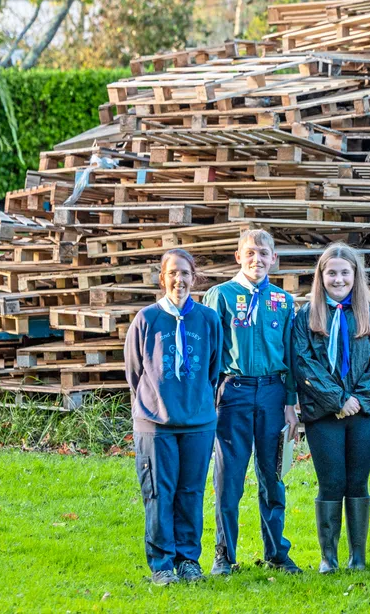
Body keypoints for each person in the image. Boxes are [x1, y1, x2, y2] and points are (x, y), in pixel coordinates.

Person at [201, 230, 301, 575]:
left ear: (274, 258)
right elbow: (211, 351)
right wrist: (209, 398)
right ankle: (224, 554)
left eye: (263, 253)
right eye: (250, 253)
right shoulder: (221, 296)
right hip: (234, 392)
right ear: (238, 257)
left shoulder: (283, 301)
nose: (257, 259)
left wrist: (290, 402)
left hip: (273, 392)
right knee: (229, 476)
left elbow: (291, 354)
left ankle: (276, 552)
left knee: (273, 475)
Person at [124, 248, 223, 585]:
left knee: (191, 492)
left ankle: (188, 560)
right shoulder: (147, 319)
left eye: (185, 273)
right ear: (162, 278)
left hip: (198, 422)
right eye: (172, 273)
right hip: (155, 423)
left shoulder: (208, 319)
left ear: (194, 278)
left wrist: (197, 401)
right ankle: (162, 563)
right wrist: (153, 404)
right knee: (158, 493)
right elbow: (135, 372)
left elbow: (213, 370)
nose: (179, 280)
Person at [293, 243, 370, 573]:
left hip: (362, 414)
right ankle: (329, 557)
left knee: (357, 482)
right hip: (324, 414)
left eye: (344, 273)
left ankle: (357, 556)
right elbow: (303, 362)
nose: (338, 279)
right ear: (321, 276)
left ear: (355, 275)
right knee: (331, 482)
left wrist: (357, 399)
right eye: (331, 273)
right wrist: (337, 399)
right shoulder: (306, 316)